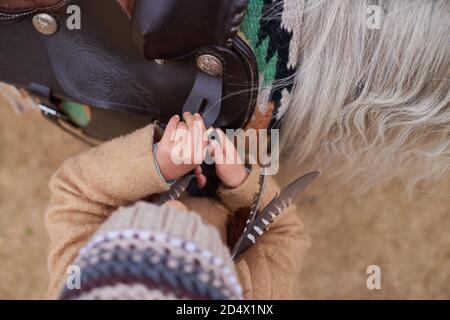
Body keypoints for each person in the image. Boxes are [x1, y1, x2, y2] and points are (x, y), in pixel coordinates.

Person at [45, 112, 310, 300]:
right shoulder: (265, 293)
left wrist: (155, 166)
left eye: (142, 221)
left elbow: (75, 193)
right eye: (192, 228)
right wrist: (242, 183)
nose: (171, 207)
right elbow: (284, 233)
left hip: (134, 185)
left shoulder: (76, 283)